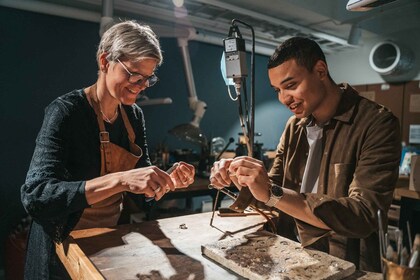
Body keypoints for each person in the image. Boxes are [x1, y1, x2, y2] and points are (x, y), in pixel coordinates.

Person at [21, 20, 195, 279]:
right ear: (105, 61)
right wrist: (120, 179)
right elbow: (36, 197)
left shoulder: (134, 115)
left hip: (110, 243)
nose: (141, 85)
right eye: (134, 74)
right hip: (63, 248)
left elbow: (139, 192)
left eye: (148, 78)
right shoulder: (66, 112)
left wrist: (165, 180)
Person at [210, 37, 401, 272]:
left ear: (320, 70)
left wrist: (272, 192)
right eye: (278, 90)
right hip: (293, 254)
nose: (283, 99)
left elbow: (363, 215)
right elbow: (272, 189)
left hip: (347, 263)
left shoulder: (376, 123)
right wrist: (241, 177)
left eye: (290, 85)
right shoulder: (294, 127)